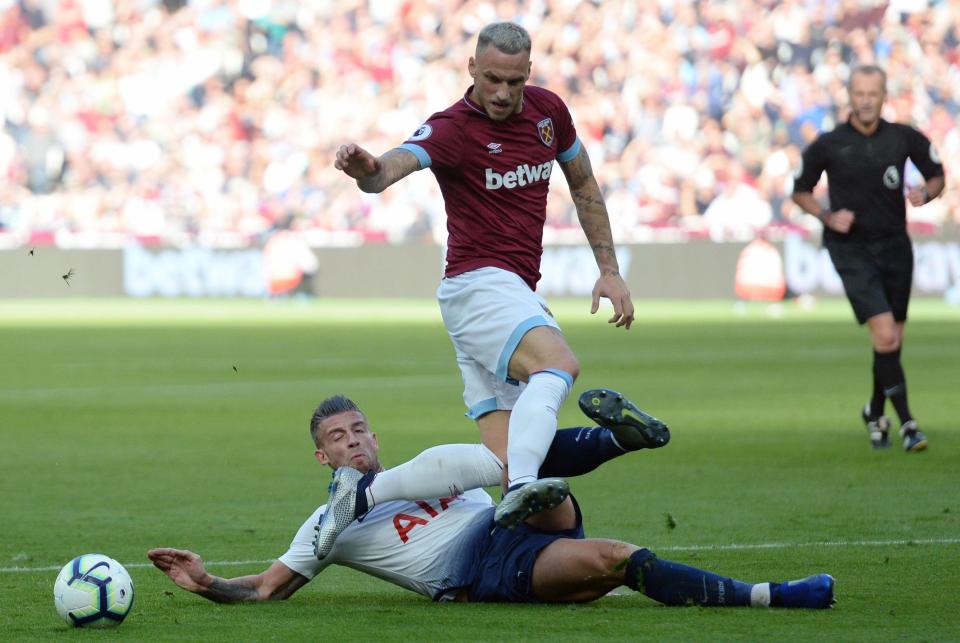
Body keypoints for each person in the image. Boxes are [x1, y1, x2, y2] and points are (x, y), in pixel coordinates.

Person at [332, 22, 635, 530]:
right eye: (492, 79)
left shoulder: (549, 113)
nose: (502, 93)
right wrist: (367, 167)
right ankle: (522, 489)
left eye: (514, 82)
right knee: (558, 365)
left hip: (501, 292)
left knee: (504, 457)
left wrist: (610, 270)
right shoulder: (453, 128)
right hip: (479, 283)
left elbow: (582, 184)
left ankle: (364, 494)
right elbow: (388, 171)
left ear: (529, 74)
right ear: (472, 68)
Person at [148, 395, 835, 609]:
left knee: (524, 474)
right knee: (616, 558)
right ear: (322, 458)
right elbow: (266, 589)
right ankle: (771, 596)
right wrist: (207, 582)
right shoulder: (328, 525)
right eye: (338, 438)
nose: (353, 441)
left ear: (374, 436)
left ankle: (611, 441)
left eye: (359, 430)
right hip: (479, 568)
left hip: (516, 521)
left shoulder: (423, 471)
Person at [791, 64, 945, 452]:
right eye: (858, 93)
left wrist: (925, 195)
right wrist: (826, 215)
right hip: (852, 249)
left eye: (872, 93)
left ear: (883, 96)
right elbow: (800, 190)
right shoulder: (829, 143)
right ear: (849, 96)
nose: (864, 100)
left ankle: (875, 411)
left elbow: (937, 174)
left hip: (895, 247)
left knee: (891, 342)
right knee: (886, 334)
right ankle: (908, 424)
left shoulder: (902, 138)